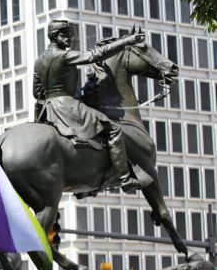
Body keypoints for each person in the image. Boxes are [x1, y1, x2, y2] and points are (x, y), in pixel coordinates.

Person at [33, 19, 145, 190]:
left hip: (47, 110)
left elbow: (36, 92)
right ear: (55, 36)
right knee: (113, 128)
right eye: (64, 34)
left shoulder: (39, 61)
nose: (69, 38)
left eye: (69, 34)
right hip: (67, 106)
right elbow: (93, 56)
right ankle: (125, 178)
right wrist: (126, 42)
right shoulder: (63, 55)